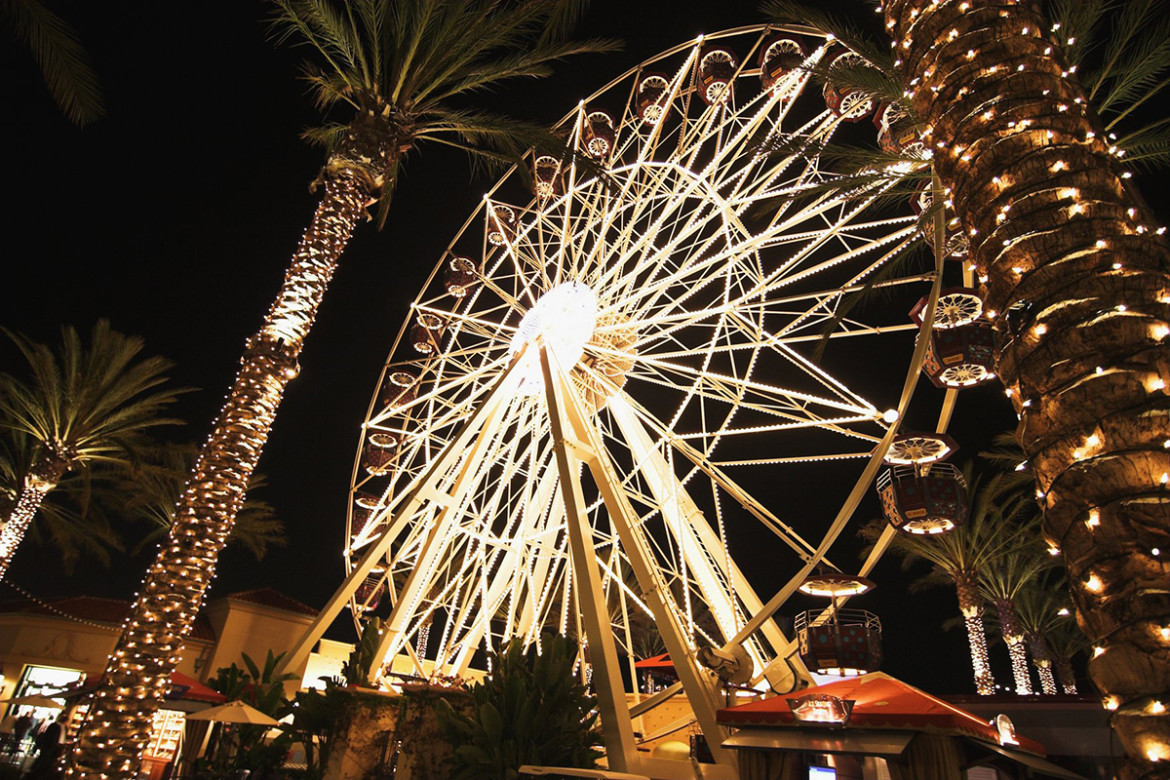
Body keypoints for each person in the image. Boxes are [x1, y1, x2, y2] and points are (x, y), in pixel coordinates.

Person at [24, 714, 64, 779]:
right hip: (49, 749)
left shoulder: (51, 725)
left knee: (40, 761)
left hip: (45, 746)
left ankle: (33, 774)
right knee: (43, 763)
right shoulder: (58, 727)